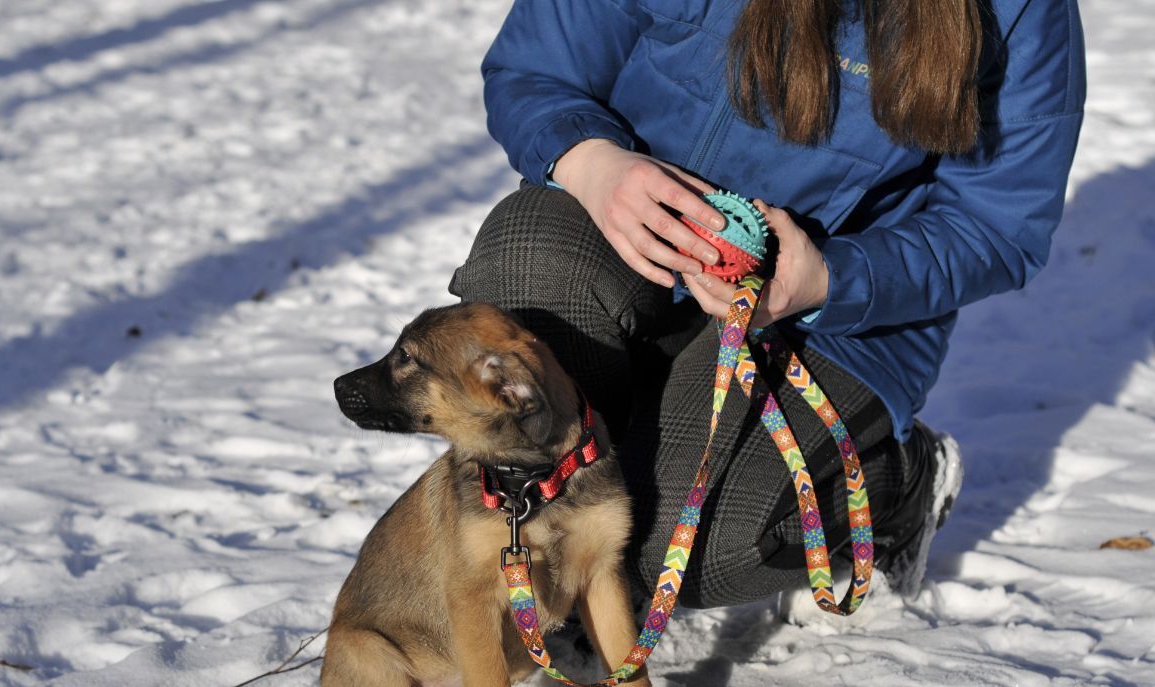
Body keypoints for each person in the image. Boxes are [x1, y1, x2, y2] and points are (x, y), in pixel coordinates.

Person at [450, 0, 1085, 610]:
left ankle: (901, 481)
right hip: (626, 237)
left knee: (683, 546)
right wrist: (592, 163)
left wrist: (828, 278)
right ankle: (563, 541)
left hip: (841, 312)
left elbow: (998, 226)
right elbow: (534, 71)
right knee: (524, 256)